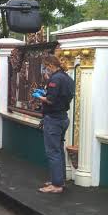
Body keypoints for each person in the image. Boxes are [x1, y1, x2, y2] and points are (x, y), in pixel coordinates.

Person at [33, 55, 75, 194]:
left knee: (53, 151)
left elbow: (50, 100)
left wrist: (39, 96)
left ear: (50, 65)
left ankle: (56, 185)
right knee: (58, 150)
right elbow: (61, 97)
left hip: (54, 120)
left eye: (46, 66)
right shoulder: (67, 78)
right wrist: (46, 93)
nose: (45, 69)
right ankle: (59, 179)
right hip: (63, 118)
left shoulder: (55, 79)